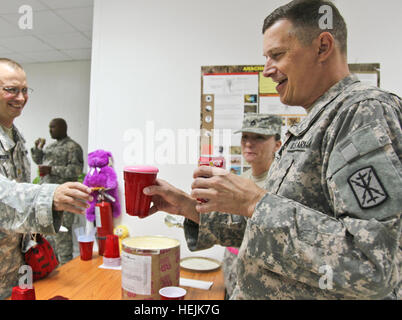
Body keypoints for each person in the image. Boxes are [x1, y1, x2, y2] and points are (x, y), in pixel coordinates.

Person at [144, 0, 401, 299]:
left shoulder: (363, 112)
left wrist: (256, 202)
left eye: (276, 55)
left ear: (322, 47)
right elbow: (270, 232)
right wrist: (188, 207)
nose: (267, 70)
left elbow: (374, 265)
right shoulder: (317, 121)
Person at [0, 58, 92, 300]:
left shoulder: (13, 136)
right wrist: (47, 196)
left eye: (24, 90)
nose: (20, 98)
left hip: (13, 265)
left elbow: (15, 189)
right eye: (11, 90)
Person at [222, 113, 282, 299]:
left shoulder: (282, 181)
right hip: (233, 261)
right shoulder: (242, 180)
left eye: (259, 137)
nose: (249, 143)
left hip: (264, 276)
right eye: (245, 137)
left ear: (277, 145)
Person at [31, 118, 84, 265]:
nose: (50, 130)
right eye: (49, 127)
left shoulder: (73, 147)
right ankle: (51, 266)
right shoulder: (50, 147)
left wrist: (52, 170)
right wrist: (37, 149)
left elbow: (76, 170)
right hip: (47, 197)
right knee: (48, 235)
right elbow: (39, 160)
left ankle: (67, 267)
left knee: (63, 234)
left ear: (63, 128)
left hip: (65, 198)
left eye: (53, 127)